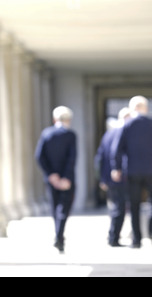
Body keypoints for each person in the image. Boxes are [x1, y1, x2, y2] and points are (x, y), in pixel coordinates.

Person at [110, 95, 152, 248]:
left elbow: (117, 148)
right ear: (145, 108)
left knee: (134, 205)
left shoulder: (127, 125)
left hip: (133, 171)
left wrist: (116, 167)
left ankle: (137, 239)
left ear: (133, 109)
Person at [35, 106, 77, 253]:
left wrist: (51, 174)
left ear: (54, 119)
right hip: (66, 179)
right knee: (64, 209)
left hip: (52, 180)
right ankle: (59, 236)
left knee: (55, 208)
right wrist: (65, 178)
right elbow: (71, 158)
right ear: (68, 119)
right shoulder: (70, 135)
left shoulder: (46, 134)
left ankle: (58, 236)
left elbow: (39, 156)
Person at [95, 107, 131, 247]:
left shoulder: (108, 134)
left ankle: (113, 235)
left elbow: (99, 158)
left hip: (110, 178)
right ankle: (114, 237)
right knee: (119, 208)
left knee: (116, 207)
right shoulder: (123, 133)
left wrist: (102, 178)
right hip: (120, 176)